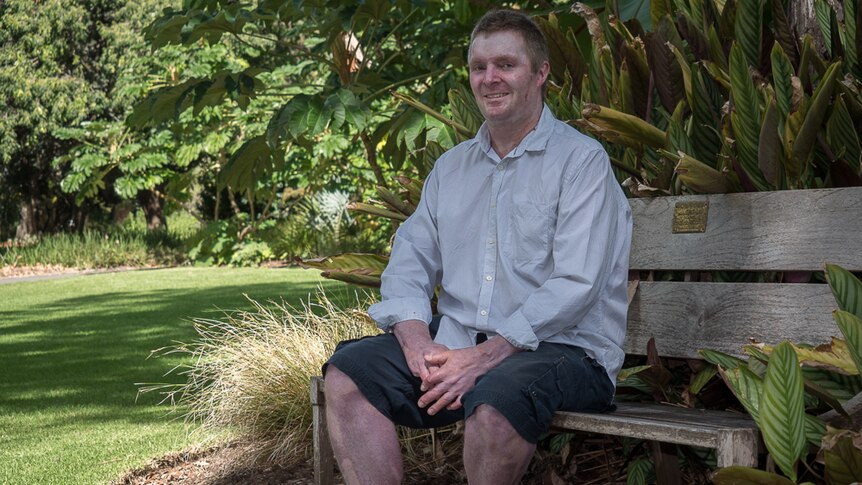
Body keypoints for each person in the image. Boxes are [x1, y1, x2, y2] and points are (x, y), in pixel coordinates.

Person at [323, 9, 632, 485]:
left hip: (566, 352)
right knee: (348, 375)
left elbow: (576, 284)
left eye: (506, 64)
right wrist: (418, 344)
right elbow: (409, 262)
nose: (490, 79)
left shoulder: (580, 162)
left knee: (494, 403)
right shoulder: (451, 169)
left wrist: (482, 360)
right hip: (459, 346)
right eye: (478, 67)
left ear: (541, 72)